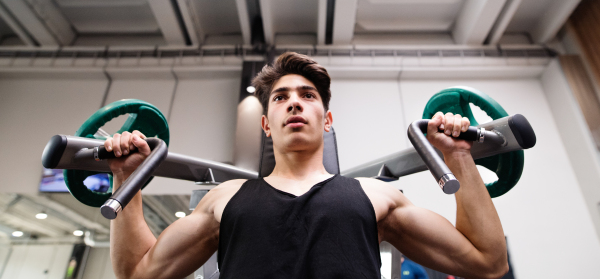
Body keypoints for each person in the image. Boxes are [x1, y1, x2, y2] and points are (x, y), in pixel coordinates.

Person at [103, 52, 509, 279]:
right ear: (266, 125)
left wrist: (458, 157)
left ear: (327, 119)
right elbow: (139, 275)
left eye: (308, 95)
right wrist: (127, 177)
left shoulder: (377, 196)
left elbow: (487, 262)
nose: (294, 102)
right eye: (280, 97)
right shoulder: (222, 201)